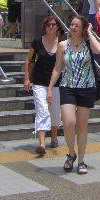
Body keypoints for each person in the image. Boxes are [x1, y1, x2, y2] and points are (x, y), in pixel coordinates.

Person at [47, 15, 100, 175]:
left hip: (86, 87)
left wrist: (90, 33)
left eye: (77, 25)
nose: (73, 27)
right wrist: (50, 88)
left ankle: (81, 161)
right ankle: (71, 153)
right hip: (68, 87)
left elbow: (99, 50)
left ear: (83, 28)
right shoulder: (63, 45)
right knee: (68, 122)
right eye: (71, 24)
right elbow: (57, 68)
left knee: (82, 126)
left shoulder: (87, 44)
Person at [24, 16, 61, 156]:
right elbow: (28, 60)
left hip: (57, 83)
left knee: (55, 113)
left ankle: (54, 136)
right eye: (48, 25)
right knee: (43, 110)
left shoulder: (62, 44)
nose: (50, 27)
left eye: (53, 24)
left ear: (57, 26)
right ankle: (41, 143)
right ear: (44, 27)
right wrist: (26, 78)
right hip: (39, 81)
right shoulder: (37, 41)